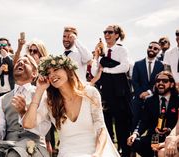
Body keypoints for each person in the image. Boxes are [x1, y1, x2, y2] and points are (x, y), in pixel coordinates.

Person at [20, 55, 120, 157]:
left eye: (56, 69)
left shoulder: (90, 93)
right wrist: (39, 91)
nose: (52, 75)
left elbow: (101, 129)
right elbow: (27, 124)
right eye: (48, 73)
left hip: (96, 150)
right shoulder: (49, 102)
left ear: (68, 70)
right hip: (68, 153)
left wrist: (97, 154)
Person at [0, 55, 50, 157]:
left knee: (13, 154)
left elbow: (42, 130)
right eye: (18, 62)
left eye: (26, 62)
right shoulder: (2, 99)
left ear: (34, 73)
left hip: (33, 145)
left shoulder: (41, 93)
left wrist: (24, 113)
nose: (20, 62)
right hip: (6, 145)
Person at [91, 24, 132, 156]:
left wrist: (106, 71)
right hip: (106, 93)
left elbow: (124, 67)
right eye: (105, 32)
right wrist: (96, 56)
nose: (106, 34)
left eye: (110, 32)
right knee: (106, 125)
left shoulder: (122, 50)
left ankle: (125, 152)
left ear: (117, 35)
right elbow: (93, 72)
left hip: (120, 93)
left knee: (122, 125)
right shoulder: (102, 54)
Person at [127, 71, 179, 157]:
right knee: (134, 142)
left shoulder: (177, 100)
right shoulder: (149, 101)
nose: (160, 83)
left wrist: (169, 130)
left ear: (172, 84)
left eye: (165, 81)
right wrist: (135, 134)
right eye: (158, 81)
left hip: (171, 137)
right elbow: (143, 121)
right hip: (153, 137)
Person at [131, 41, 164, 130]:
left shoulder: (161, 65)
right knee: (134, 122)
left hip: (154, 98)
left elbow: (159, 82)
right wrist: (141, 94)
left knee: (152, 124)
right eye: (150, 47)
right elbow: (135, 81)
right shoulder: (138, 64)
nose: (152, 49)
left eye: (155, 48)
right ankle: (132, 140)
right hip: (138, 98)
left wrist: (149, 92)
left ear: (159, 51)